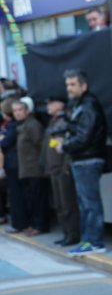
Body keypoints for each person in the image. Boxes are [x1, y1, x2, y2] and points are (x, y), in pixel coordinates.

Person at [57, 69, 108, 255]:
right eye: (67, 84)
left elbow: (83, 137)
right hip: (83, 160)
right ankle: (89, 241)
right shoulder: (81, 105)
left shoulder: (88, 106)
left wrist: (64, 146)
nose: (68, 88)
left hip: (87, 160)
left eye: (72, 84)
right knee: (85, 203)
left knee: (89, 203)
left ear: (83, 86)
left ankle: (94, 242)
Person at [45, 96, 80, 246]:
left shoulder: (65, 121)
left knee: (67, 203)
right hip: (54, 167)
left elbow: (66, 147)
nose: (48, 106)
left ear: (60, 104)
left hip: (62, 168)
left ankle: (73, 234)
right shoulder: (53, 121)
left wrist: (66, 166)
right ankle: (66, 233)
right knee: (59, 204)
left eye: (51, 103)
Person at [12, 98, 49, 236]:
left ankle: (40, 225)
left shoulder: (32, 125)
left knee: (38, 199)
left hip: (35, 170)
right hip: (26, 170)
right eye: (15, 111)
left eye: (20, 110)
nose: (17, 113)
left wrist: (42, 165)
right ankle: (34, 224)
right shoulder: (21, 125)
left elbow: (41, 145)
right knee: (31, 199)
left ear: (27, 111)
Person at [1, 98, 27, 234]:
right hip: (12, 164)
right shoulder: (12, 125)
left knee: (16, 195)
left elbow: (5, 143)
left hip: (14, 164)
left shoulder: (12, 126)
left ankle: (19, 224)